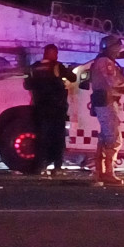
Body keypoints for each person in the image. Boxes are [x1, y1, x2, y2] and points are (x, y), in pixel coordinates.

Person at [24, 44, 76, 175]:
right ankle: (57, 166)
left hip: (39, 109)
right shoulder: (57, 66)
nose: (57, 56)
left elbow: (27, 84)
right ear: (51, 54)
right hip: (56, 109)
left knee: (41, 138)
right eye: (56, 53)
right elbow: (73, 78)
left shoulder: (34, 68)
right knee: (58, 138)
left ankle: (40, 165)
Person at [90, 35, 124, 185]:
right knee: (114, 138)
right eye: (117, 46)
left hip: (106, 101)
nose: (119, 49)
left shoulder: (104, 61)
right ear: (111, 47)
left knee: (106, 137)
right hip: (106, 102)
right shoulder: (105, 62)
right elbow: (112, 80)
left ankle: (101, 171)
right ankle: (108, 172)